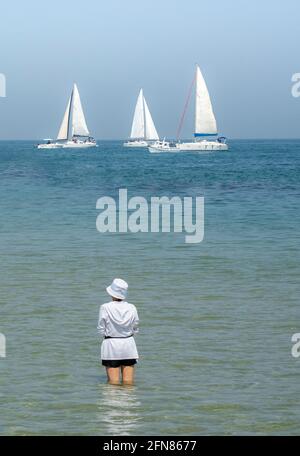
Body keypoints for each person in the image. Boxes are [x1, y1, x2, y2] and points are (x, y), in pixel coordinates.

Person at [97, 278, 139, 385]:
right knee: (129, 384)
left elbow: (101, 328)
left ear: (112, 293)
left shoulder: (105, 307)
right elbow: (135, 326)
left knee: (113, 384)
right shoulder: (132, 307)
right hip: (128, 345)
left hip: (111, 345)